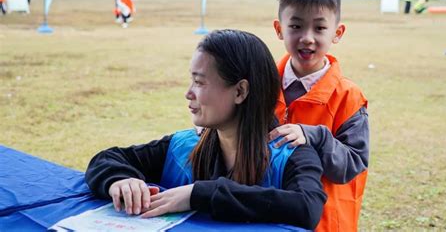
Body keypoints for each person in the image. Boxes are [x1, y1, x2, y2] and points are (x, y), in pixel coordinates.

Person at [86, 29, 327, 230]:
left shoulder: (292, 154)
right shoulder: (183, 147)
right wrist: (121, 180)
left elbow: (307, 208)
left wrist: (199, 195)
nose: (188, 93)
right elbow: (107, 159)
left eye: (200, 82)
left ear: (240, 91)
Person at [269, 0, 369, 231]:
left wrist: (315, 137)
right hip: (268, 217)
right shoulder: (263, 87)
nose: (307, 38)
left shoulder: (348, 97)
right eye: (296, 26)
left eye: (320, 28)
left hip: (325, 222)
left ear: (338, 33)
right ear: (279, 29)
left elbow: (352, 165)